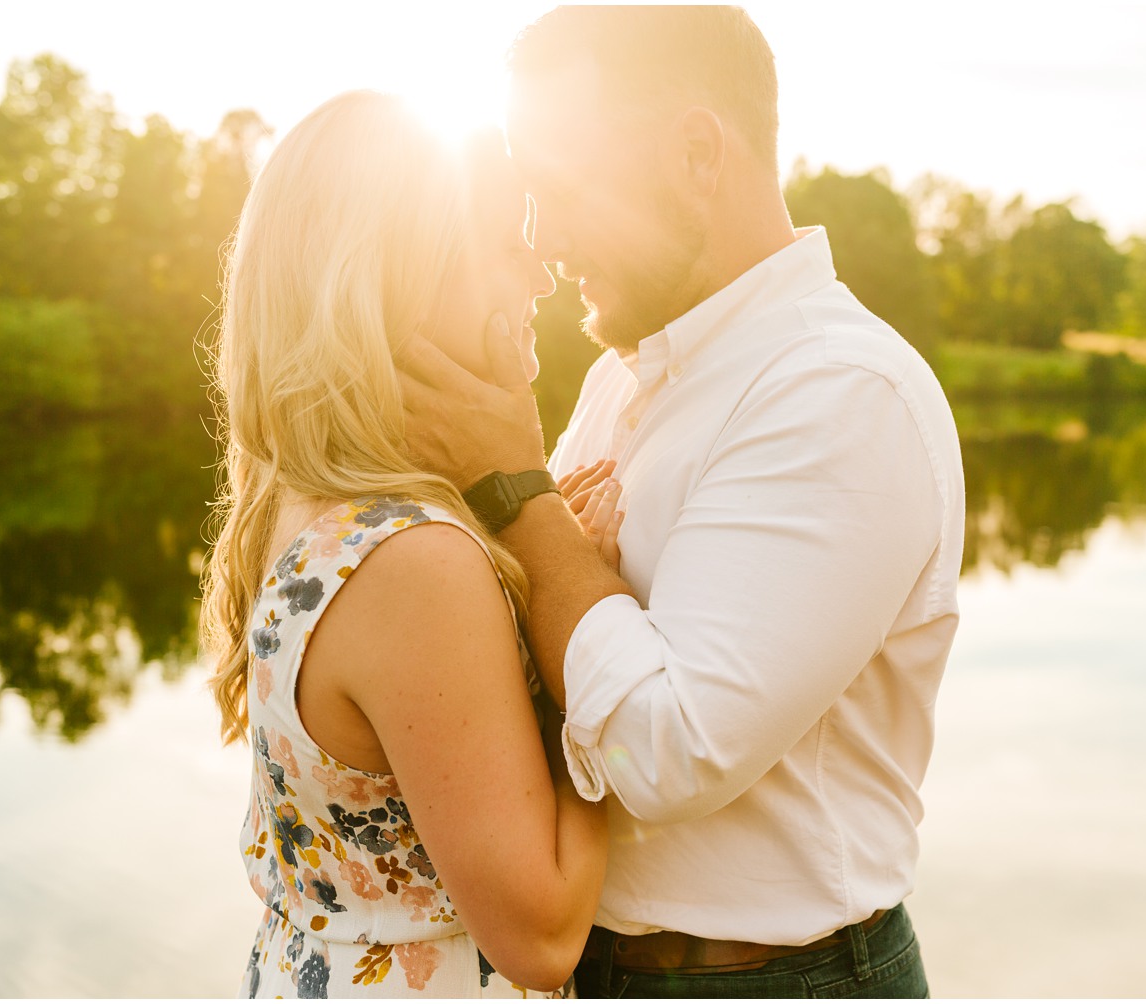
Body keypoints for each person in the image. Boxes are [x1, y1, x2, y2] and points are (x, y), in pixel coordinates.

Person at [396, 6, 965, 998]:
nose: (542, 237)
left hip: (781, 981)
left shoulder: (839, 390)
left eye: (562, 186)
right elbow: (547, 639)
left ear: (699, 152)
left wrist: (520, 493)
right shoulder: (625, 377)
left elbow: (665, 754)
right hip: (597, 969)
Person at [199, 91, 621, 998]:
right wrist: (599, 631)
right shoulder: (415, 562)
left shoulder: (299, 498)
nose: (542, 277)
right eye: (511, 246)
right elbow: (543, 935)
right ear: (404, 279)